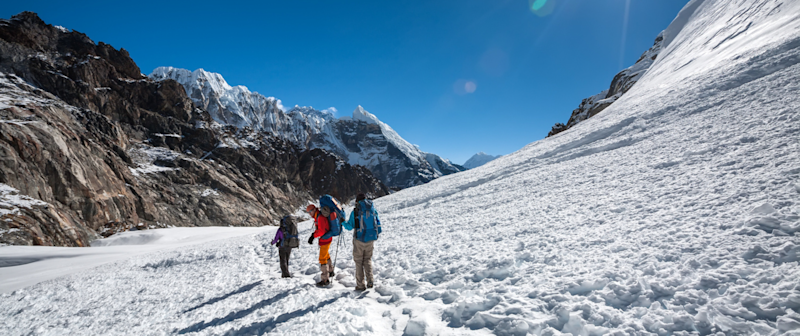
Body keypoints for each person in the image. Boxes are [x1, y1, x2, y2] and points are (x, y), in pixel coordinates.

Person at [342, 193, 382, 291]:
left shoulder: (356, 211)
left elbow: (349, 226)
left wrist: (342, 222)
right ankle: (370, 280)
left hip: (359, 239)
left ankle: (360, 285)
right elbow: (378, 226)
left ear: (357, 201)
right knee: (367, 259)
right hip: (371, 238)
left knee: (359, 262)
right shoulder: (373, 210)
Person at [307, 204, 333, 287]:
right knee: (326, 254)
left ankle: (325, 279)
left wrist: (313, 236)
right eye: (308, 212)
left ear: (314, 210)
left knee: (322, 258)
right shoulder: (318, 216)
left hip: (325, 240)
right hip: (326, 238)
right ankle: (331, 271)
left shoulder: (320, 217)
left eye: (310, 211)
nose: (309, 214)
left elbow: (321, 231)